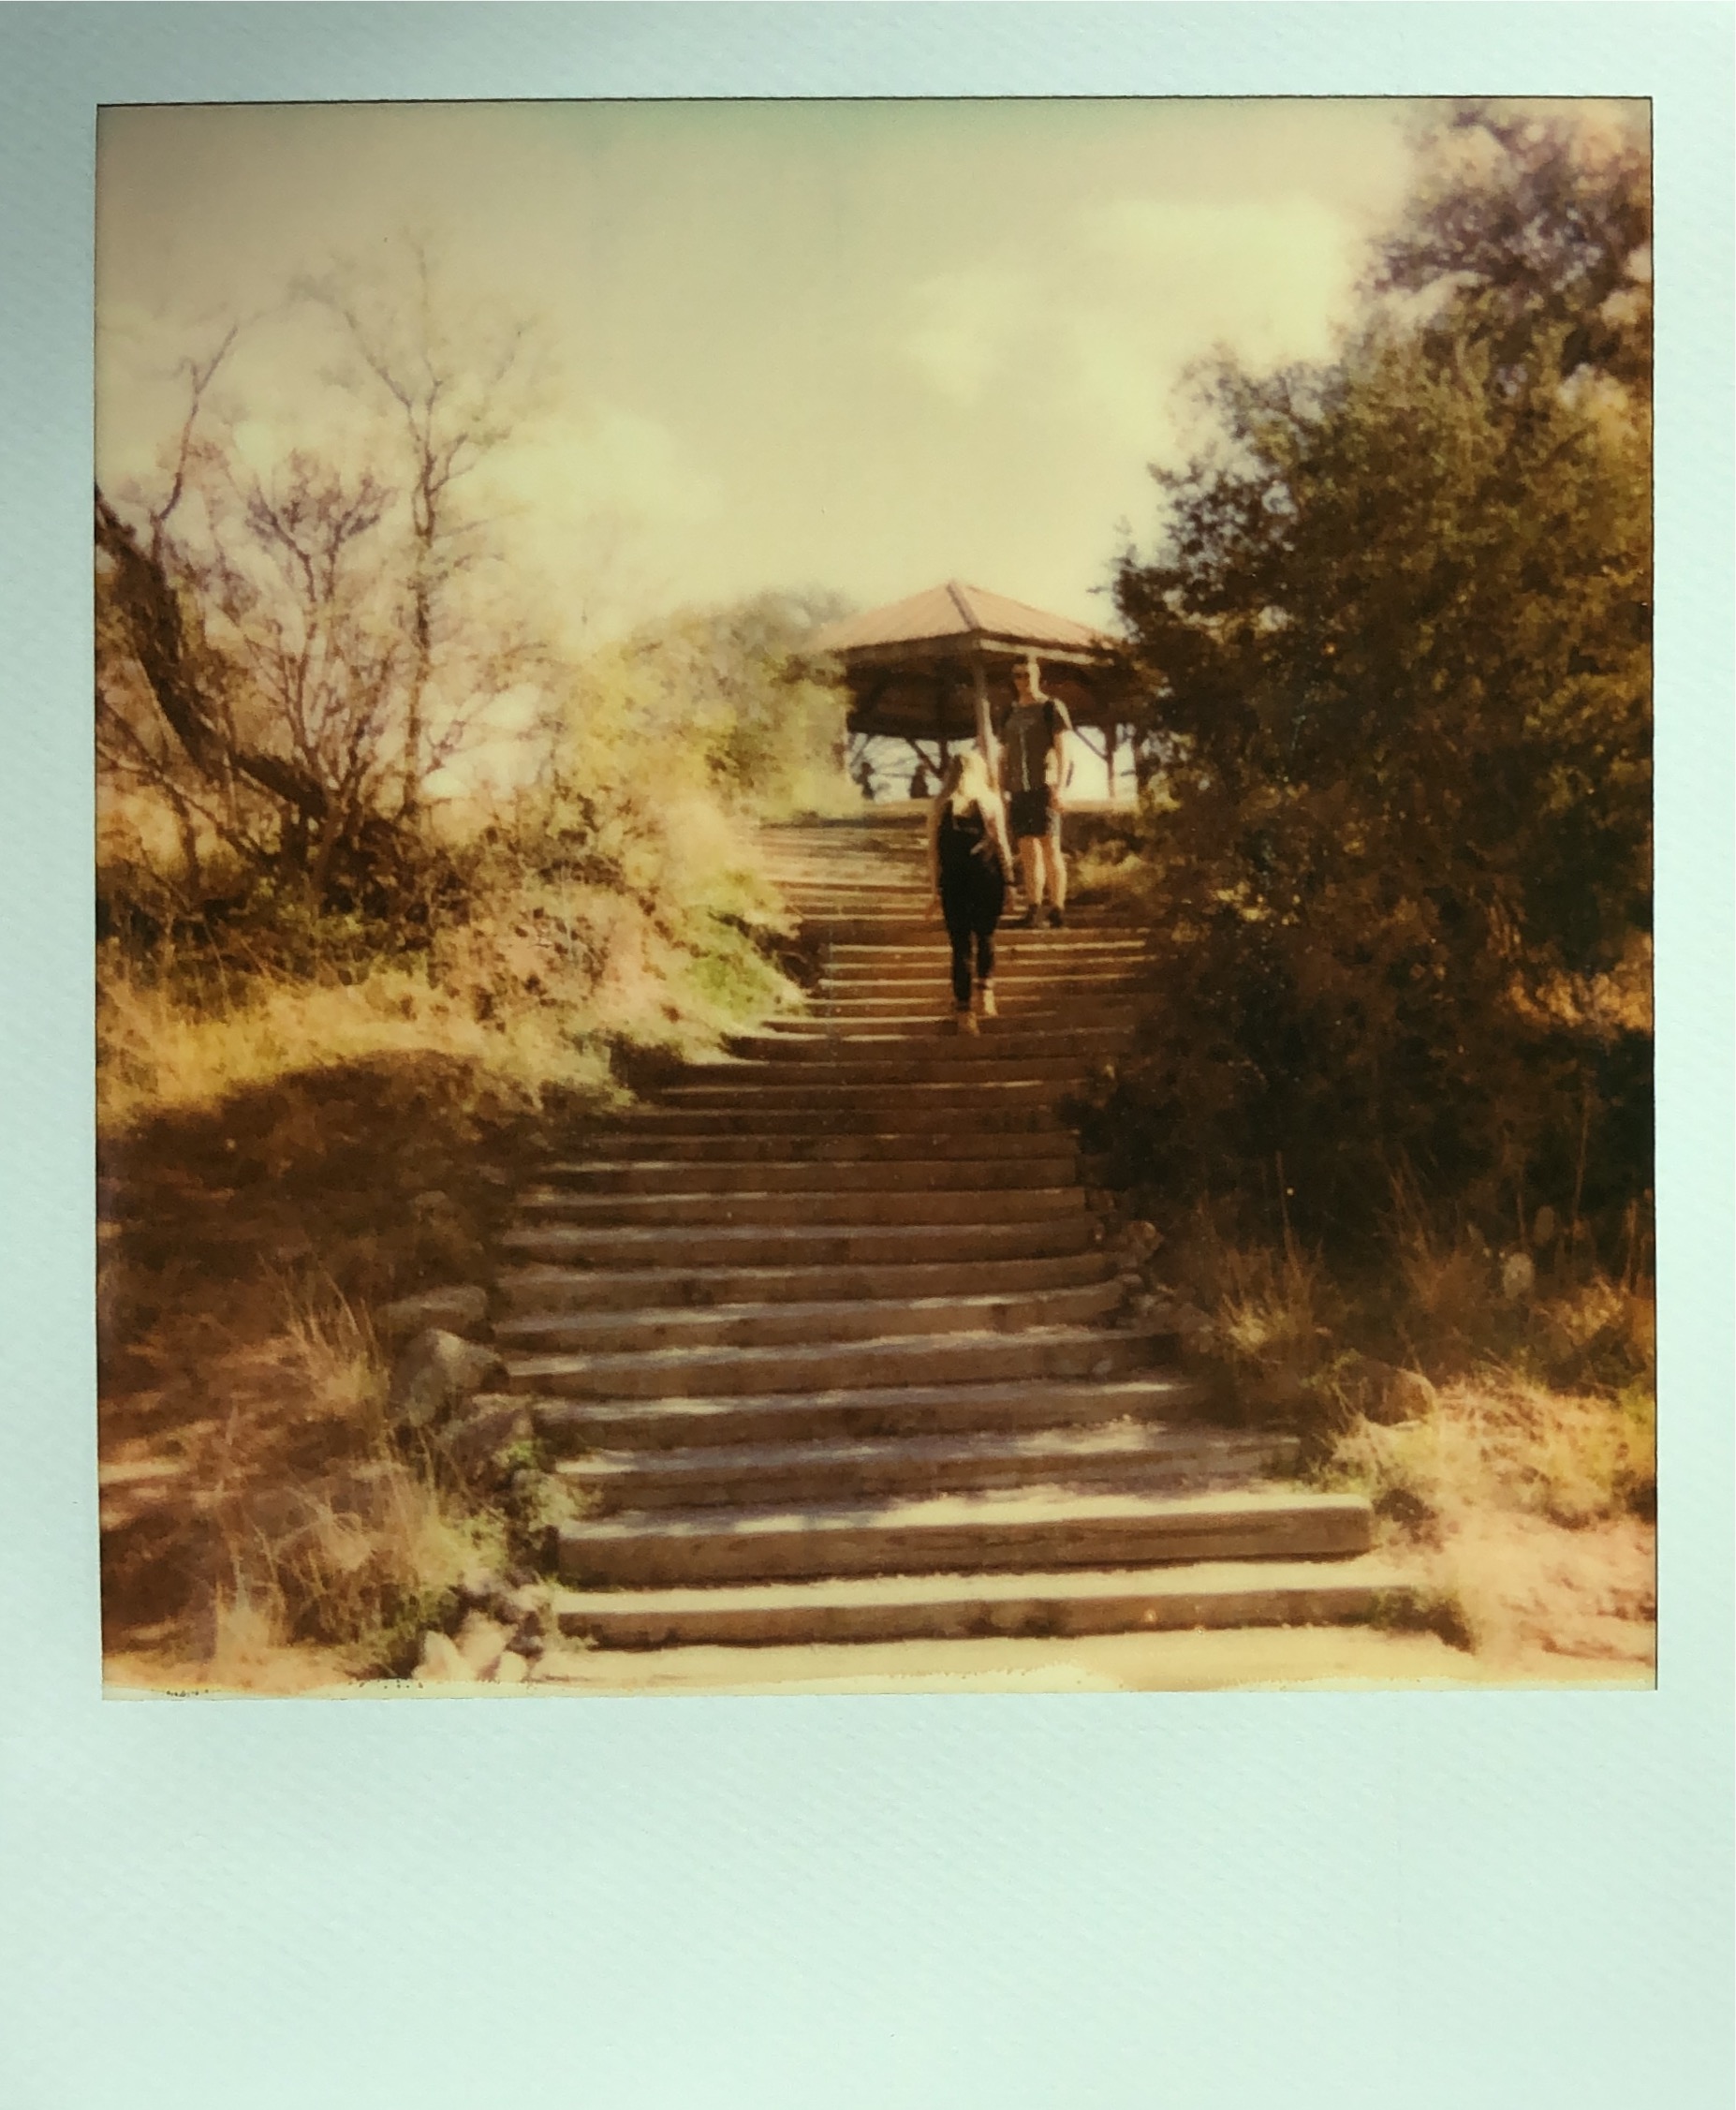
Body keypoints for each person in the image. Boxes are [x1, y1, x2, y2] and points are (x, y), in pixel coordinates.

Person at [925, 746, 1013, 1034]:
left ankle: (964, 1013)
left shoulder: (940, 804)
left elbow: (933, 852)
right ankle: (986, 994)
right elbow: (1000, 844)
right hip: (987, 877)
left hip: (953, 880)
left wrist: (934, 891)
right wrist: (1010, 883)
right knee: (986, 936)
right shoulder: (989, 801)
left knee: (960, 946)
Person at [999, 656, 1072, 927]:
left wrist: (1060, 789)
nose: (1022, 681)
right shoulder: (1009, 713)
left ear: (1037, 676)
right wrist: (1000, 790)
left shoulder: (1051, 708)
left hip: (1045, 786)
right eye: (1017, 675)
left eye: (1027, 675)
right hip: (1019, 790)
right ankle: (1033, 908)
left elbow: (1064, 751)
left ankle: (1058, 909)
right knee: (1028, 851)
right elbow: (1003, 756)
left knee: (1050, 847)